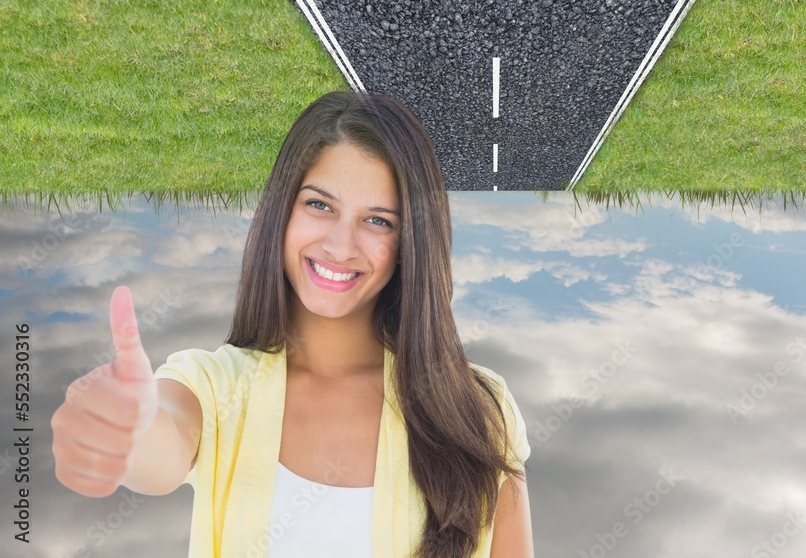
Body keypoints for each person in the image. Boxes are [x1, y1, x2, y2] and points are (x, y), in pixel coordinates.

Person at [50, 91, 533, 558]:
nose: (341, 247)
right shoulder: (217, 387)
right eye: (319, 205)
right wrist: (128, 430)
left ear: (411, 243)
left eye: (379, 221)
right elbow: (162, 450)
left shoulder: (479, 409)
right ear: (281, 212)